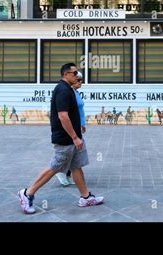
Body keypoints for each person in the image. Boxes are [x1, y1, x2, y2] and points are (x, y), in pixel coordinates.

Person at [17, 63, 104, 214]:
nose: (77, 76)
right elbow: (62, 116)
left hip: (74, 137)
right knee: (56, 166)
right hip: (66, 138)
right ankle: (27, 193)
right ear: (65, 74)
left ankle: (85, 197)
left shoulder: (68, 89)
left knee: (76, 166)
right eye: (74, 73)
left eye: (77, 73)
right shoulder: (63, 90)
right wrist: (75, 137)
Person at [56, 71, 86, 186]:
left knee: (74, 152)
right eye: (79, 81)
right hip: (72, 125)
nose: (80, 84)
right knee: (70, 151)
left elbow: (80, 111)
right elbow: (65, 113)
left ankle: (67, 173)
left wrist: (82, 124)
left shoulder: (76, 93)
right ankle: (60, 170)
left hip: (77, 125)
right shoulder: (67, 93)